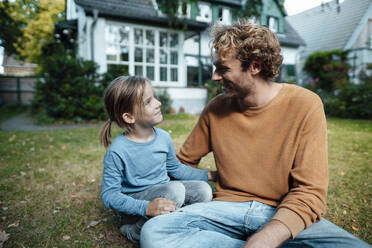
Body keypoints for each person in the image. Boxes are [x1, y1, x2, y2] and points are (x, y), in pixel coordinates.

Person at [140, 20, 370, 248]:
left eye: (223, 69)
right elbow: (181, 164)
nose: (214, 77)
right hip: (223, 211)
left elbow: (309, 192)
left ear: (255, 66)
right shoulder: (216, 108)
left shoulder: (305, 104)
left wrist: (265, 239)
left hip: (281, 214)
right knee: (155, 232)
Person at [99, 76, 214, 243]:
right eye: (148, 102)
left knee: (203, 190)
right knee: (175, 191)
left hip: (166, 192)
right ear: (129, 117)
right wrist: (146, 208)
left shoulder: (163, 137)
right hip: (137, 209)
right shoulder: (117, 151)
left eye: (154, 97)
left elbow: (176, 169)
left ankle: (176, 225)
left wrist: (211, 175)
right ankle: (135, 232)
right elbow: (109, 195)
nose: (158, 103)